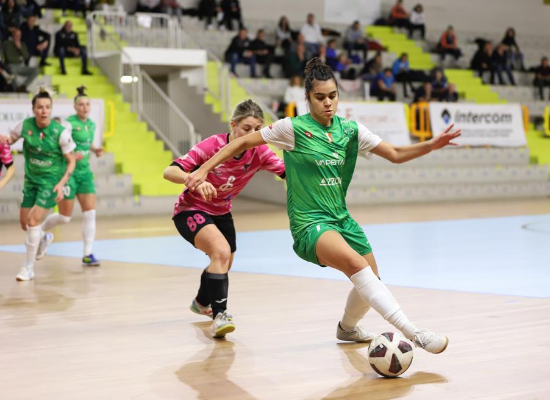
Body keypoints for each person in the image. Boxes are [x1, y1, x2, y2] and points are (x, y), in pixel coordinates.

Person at [185, 58, 460, 353]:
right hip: (309, 223)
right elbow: (240, 143)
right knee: (357, 266)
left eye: (332, 95)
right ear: (307, 98)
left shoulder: (351, 131)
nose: (327, 102)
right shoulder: (291, 129)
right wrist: (203, 170)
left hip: (342, 219)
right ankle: (414, 333)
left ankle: (348, 328)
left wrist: (430, 145)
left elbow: (394, 153)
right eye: (319, 97)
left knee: (371, 279)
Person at [163, 99, 285, 338]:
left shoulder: (259, 151)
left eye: (257, 129)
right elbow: (170, 171)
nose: (252, 134)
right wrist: (194, 180)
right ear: (233, 125)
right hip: (191, 209)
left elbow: (286, 172)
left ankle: (201, 303)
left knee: (223, 262)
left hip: (222, 212)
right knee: (220, 252)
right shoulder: (212, 146)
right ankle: (220, 316)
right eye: (246, 128)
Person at [0, 87, 76, 281]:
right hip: (31, 180)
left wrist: (61, 183)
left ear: (51, 109)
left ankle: (28, 267)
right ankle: (44, 237)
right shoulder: (26, 125)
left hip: (50, 183)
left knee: (33, 221)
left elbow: (72, 161)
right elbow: (11, 139)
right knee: (25, 224)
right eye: (40, 107)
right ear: (33, 109)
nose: (44, 111)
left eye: (47, 107)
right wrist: (5, 140)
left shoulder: (60, 133)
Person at [38, 86, 102, 266]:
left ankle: (87, 254)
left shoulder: (91, 124)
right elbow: (59, 145)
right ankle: (39, 232)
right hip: (69, 173)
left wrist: (95, 150)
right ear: (75, 107)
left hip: (85, 174)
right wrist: (72, 156)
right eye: (81, 104)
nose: (85, 107)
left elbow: (87, 144)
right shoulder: (68, 124)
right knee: (65, 218)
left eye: (87, 104)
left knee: (90, 213)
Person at [1, 27, 39, 92]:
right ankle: (17, 88)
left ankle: (23, 87)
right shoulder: (7, 44)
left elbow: (26, 57)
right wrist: (19, 58)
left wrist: (19, 48)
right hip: (11, 65)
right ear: (13, 35)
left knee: (36, 70)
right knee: (12, 69)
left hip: (21, 66)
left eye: (19, 35)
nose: (18, 37)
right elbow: (9, 59)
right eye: (16, 35)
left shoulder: (22, 44)